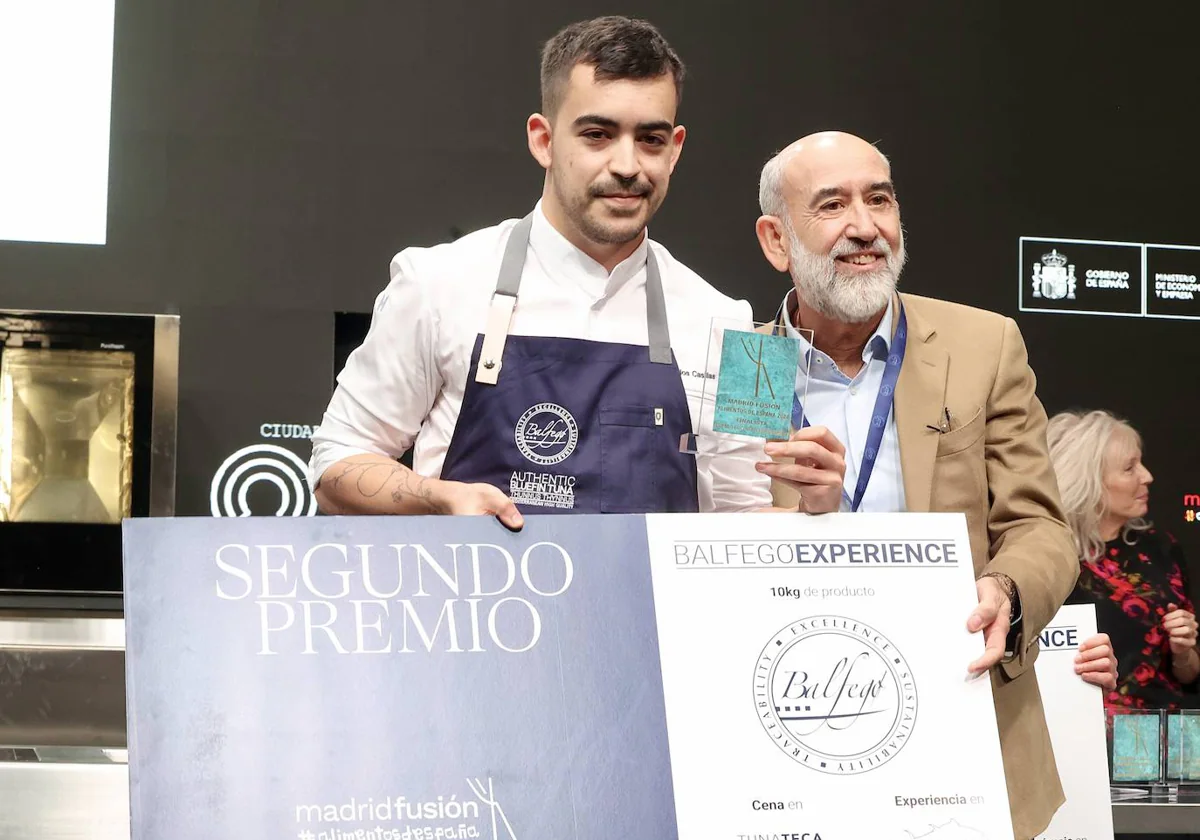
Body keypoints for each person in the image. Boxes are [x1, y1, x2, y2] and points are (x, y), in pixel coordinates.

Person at [309, 16, 813, 522]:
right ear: (543, 140)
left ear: (676, 149)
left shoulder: (741, 329)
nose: (627, 165)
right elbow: (334, 464)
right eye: (597, 134)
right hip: (486, 598)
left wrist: (819, 514)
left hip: (656, 603)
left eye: (651, 140)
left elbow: (747, 515)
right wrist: (437, 498)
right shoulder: (431, 281)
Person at [752, 130, 1079, 839]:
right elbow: (718, 529)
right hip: (792, 734)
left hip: (964, 733)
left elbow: (1042, 527)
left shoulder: (981, 345)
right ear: (777, 240)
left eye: (880, 199)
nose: (865, 227)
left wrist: (1008, 591)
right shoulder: (746, 361)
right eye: (832, 204)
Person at [1047, 409, 1199, 710]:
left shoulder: (1161, 547)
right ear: (1088, 482)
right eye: (1130, 468)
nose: (1148, 476)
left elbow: (1189, 675)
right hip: (1083, 738)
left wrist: (1184, 652)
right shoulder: (1051, 562)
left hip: (1171, 740)